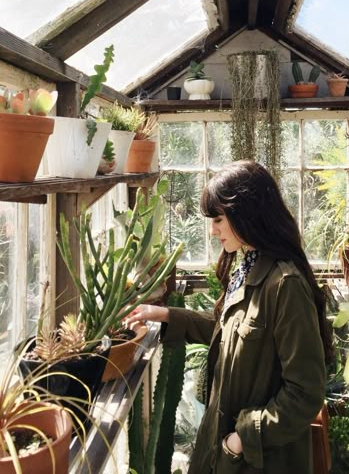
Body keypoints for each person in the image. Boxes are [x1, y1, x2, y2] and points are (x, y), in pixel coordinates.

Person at [128, 160, 333, 473]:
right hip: (226, 452)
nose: (212, 230)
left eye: (218, 219)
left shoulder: (285, 285)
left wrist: (242, 438)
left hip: (259, 461)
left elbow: (305, 394)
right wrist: (167, 315)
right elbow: (231, 332)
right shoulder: (251, 264)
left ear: (246, 214)